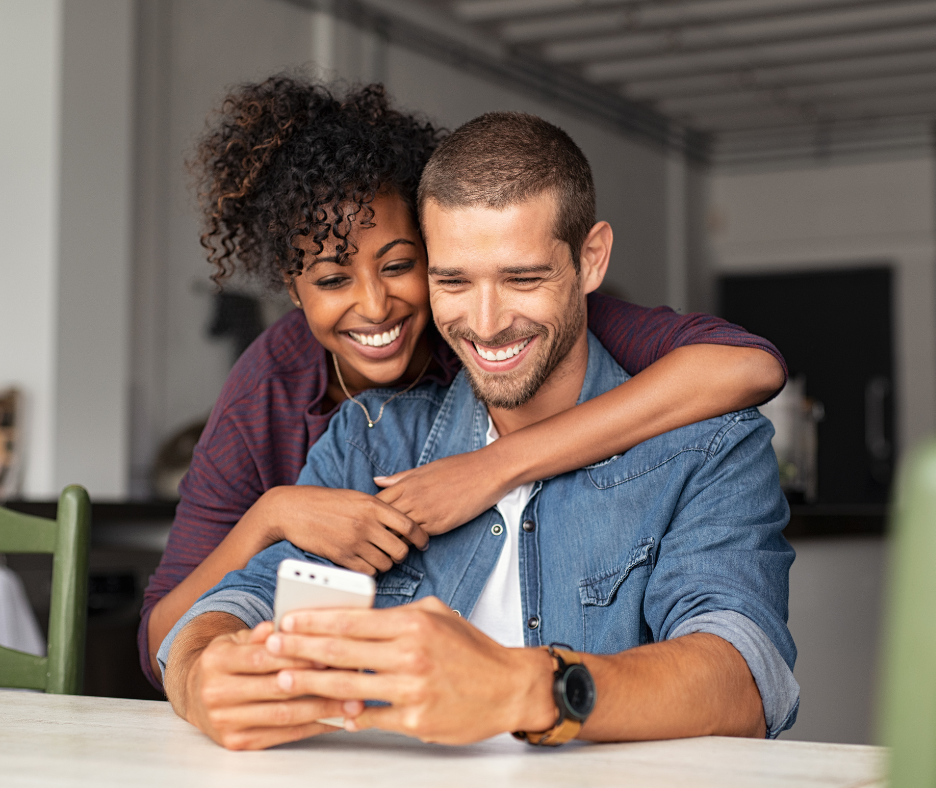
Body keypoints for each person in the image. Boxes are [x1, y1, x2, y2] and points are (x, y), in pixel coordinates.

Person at [158, 111, 798, 751]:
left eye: (523, 278)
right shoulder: (369, 438)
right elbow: (234, 603)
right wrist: (200, 674)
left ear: (591, 259)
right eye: (453, 281)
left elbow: (742, 679)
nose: (487, 323)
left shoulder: (710, 446)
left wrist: (524, 688)